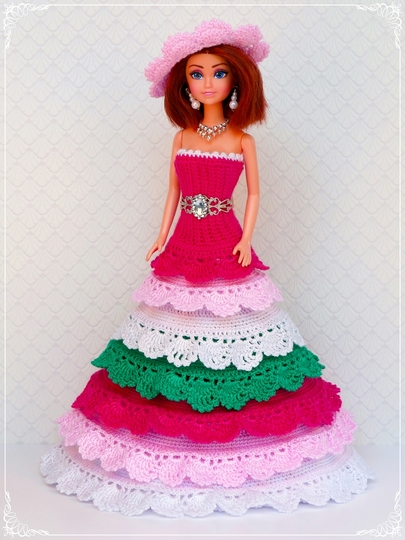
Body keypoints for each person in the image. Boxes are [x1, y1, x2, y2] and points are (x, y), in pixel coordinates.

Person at [41, 19, 372, 517]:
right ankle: (167, 438)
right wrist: (160, 235)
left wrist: (246, 238)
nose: (207, 82)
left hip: (225, 241)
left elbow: (254, 194)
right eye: (196, 74)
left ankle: (239, 444)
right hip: (182, 244)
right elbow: (172, 193)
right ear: (184, 84)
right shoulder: (181, 137)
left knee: (234, 331)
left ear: (237, 80)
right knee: (171, 331)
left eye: (218, 73)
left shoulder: (242, 140)